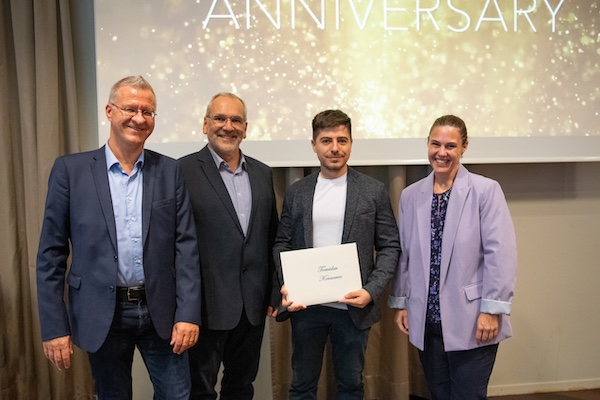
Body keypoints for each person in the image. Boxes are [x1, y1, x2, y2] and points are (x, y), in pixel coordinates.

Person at [36, 75, 201, 399]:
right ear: (109, 111)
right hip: (102, 312)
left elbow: (186, 247)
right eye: (130, 109)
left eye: (147, 112)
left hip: (162, 311)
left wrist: (188, 314)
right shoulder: (71, 171)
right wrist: (55, 327)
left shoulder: (170, 171)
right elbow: (50, 255)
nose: (139, 118)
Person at [273, 109, 401, 399]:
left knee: (351, 385)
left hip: (353, 307)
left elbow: (390, 246)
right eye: (326, 140)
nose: (335, 148)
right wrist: (288, 283)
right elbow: (281, 243)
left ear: (351, 143)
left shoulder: (373, 191)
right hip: (306, 308)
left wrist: (371, 291)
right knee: (302, 385)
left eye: (342, 140)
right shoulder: (297, 192)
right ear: (313, 145)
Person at [388, 115, 517, 399]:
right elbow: (405, 254)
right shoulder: (410, 196)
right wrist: (402, 302)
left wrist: (492, 310)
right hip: (426, 320)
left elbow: (500, 254)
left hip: (473, 319)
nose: (442, 152)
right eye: (436, 144)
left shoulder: (485, 191)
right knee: (439, 394)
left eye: (450, 146)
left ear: (464, 147)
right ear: (427, 144)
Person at [179, 93, 279, 400]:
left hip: (252, 307)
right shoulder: (182, 171)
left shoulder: (262, 173)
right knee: (200, 391)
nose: (228, 126)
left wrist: (273, 291)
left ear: (245, 128)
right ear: (205, 124)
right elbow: (174, 243)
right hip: (205, 308)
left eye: (236, 120)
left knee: (241, 388)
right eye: (220, 118)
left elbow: (271, 236)